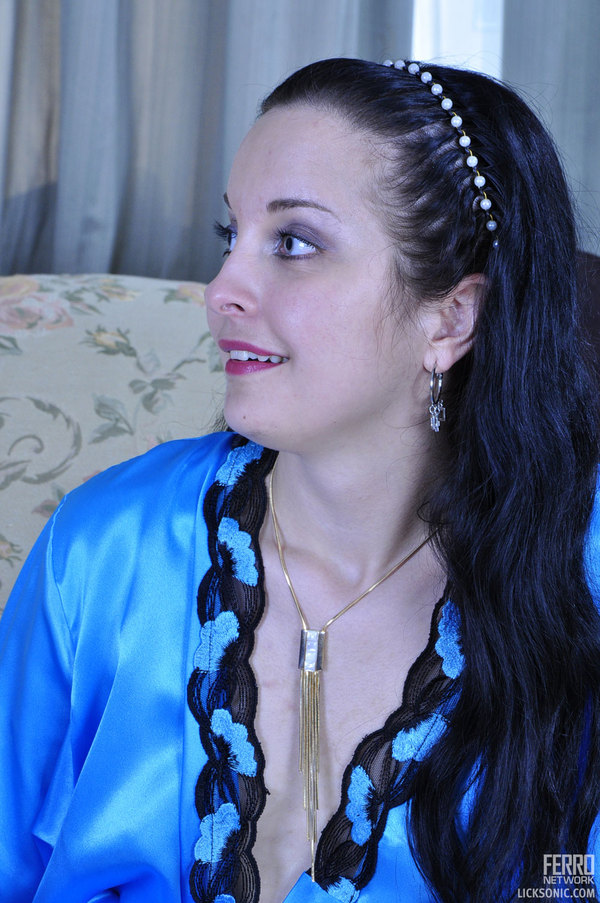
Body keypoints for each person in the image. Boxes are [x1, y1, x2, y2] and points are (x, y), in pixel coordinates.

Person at [1, 57, 599, 903]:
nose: (221, 291)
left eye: (293, 243)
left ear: (451, 317)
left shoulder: (579, 582)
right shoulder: (103, 551)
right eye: (230, 237)